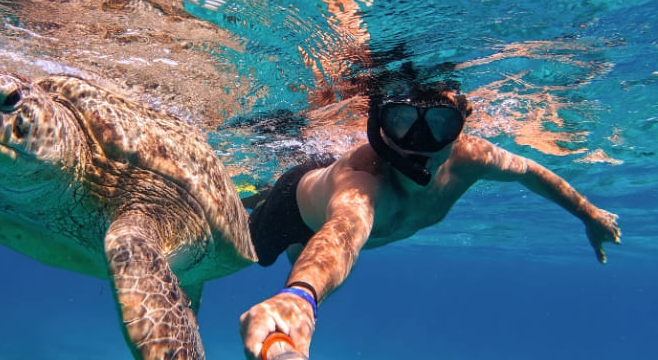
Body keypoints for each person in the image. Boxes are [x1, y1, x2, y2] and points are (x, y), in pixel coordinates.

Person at [240, 84, 621, 360]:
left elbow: (531, 172)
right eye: (403, 121)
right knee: (240, 251)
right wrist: (300, 298)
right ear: (381, 126)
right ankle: (259, 193)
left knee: (294, 256)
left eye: (439, 123)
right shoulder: (365, 180)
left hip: (318, 215)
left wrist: (590, 213)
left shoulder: (472, 158)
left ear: (461, 125)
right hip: (294, 206)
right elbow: (343, 231)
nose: (419, 142)